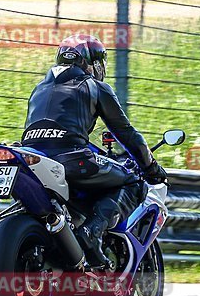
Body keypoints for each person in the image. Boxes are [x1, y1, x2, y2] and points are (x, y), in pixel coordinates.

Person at [22, 35, 168, 267]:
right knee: (132, 182)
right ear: (93, 63)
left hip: (30, 158)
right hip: (71, 158)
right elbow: (126, 133)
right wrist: (150, 167)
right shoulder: (95, 86)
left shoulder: (39, 88)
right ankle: (91, 234)